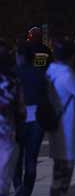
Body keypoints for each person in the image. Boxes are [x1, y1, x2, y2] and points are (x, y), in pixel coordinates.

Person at [47, 40, 75, 196]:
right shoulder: (67, 75)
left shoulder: (49, 71)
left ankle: (56, 191)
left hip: (54, 124)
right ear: (70, 57)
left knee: (57, 165)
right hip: (67, 125)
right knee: (66, 166)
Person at [13, 42, 47, 196]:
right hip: (37, 119)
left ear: (19, 56)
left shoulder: (12, 73)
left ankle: (19, 187)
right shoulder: (40, 73)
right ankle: (26, 191)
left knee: (16, 159)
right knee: (31, 159)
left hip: (17, 120)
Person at [0, 40, 25, 196]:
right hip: (6, 130)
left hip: (7, 128)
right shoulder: (14, 81)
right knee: (5, 168)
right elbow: (21, 109)